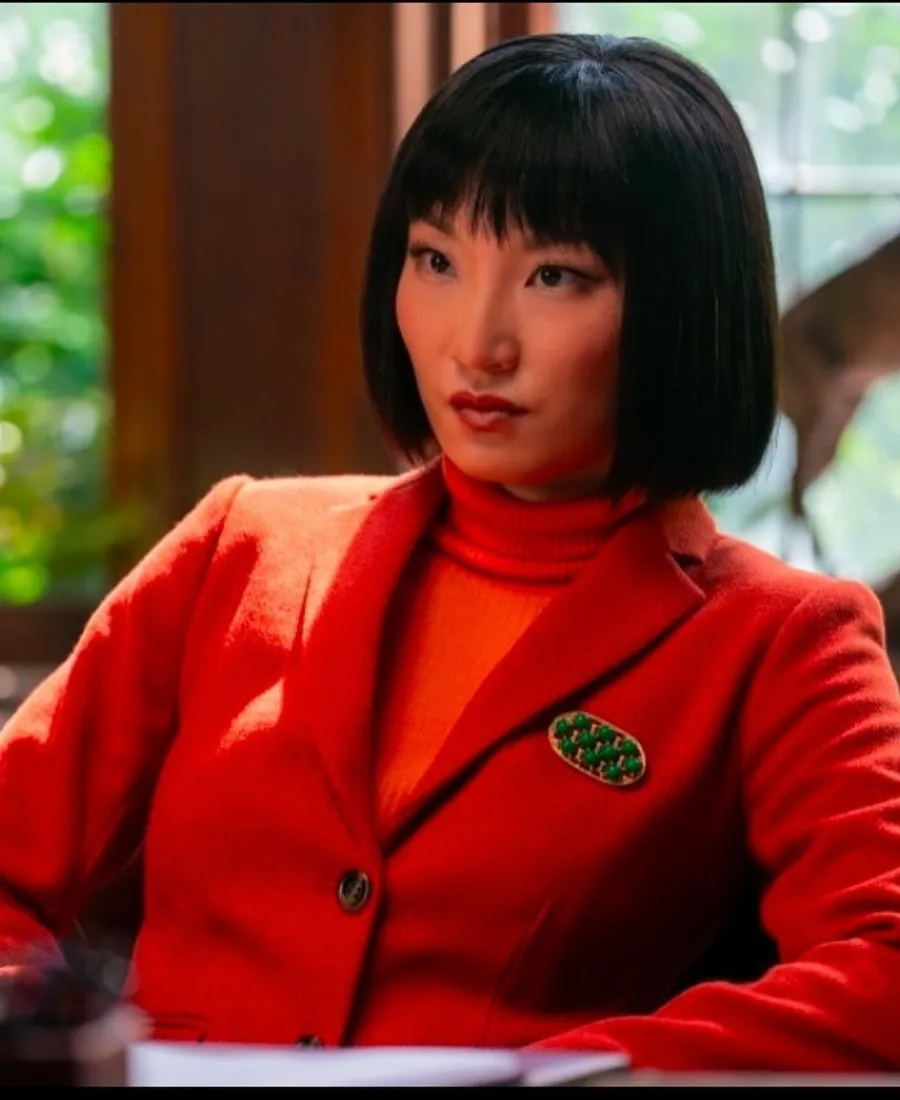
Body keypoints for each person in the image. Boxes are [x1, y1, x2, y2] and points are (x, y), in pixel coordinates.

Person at [1, 31, 899, 1074]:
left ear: (682, 307)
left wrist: (566, 1074)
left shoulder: (787, 640)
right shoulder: (239, 545)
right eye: (436, 259)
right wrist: (47, 1046)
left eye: (555, 275)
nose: (476, 342)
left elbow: (882, 968)